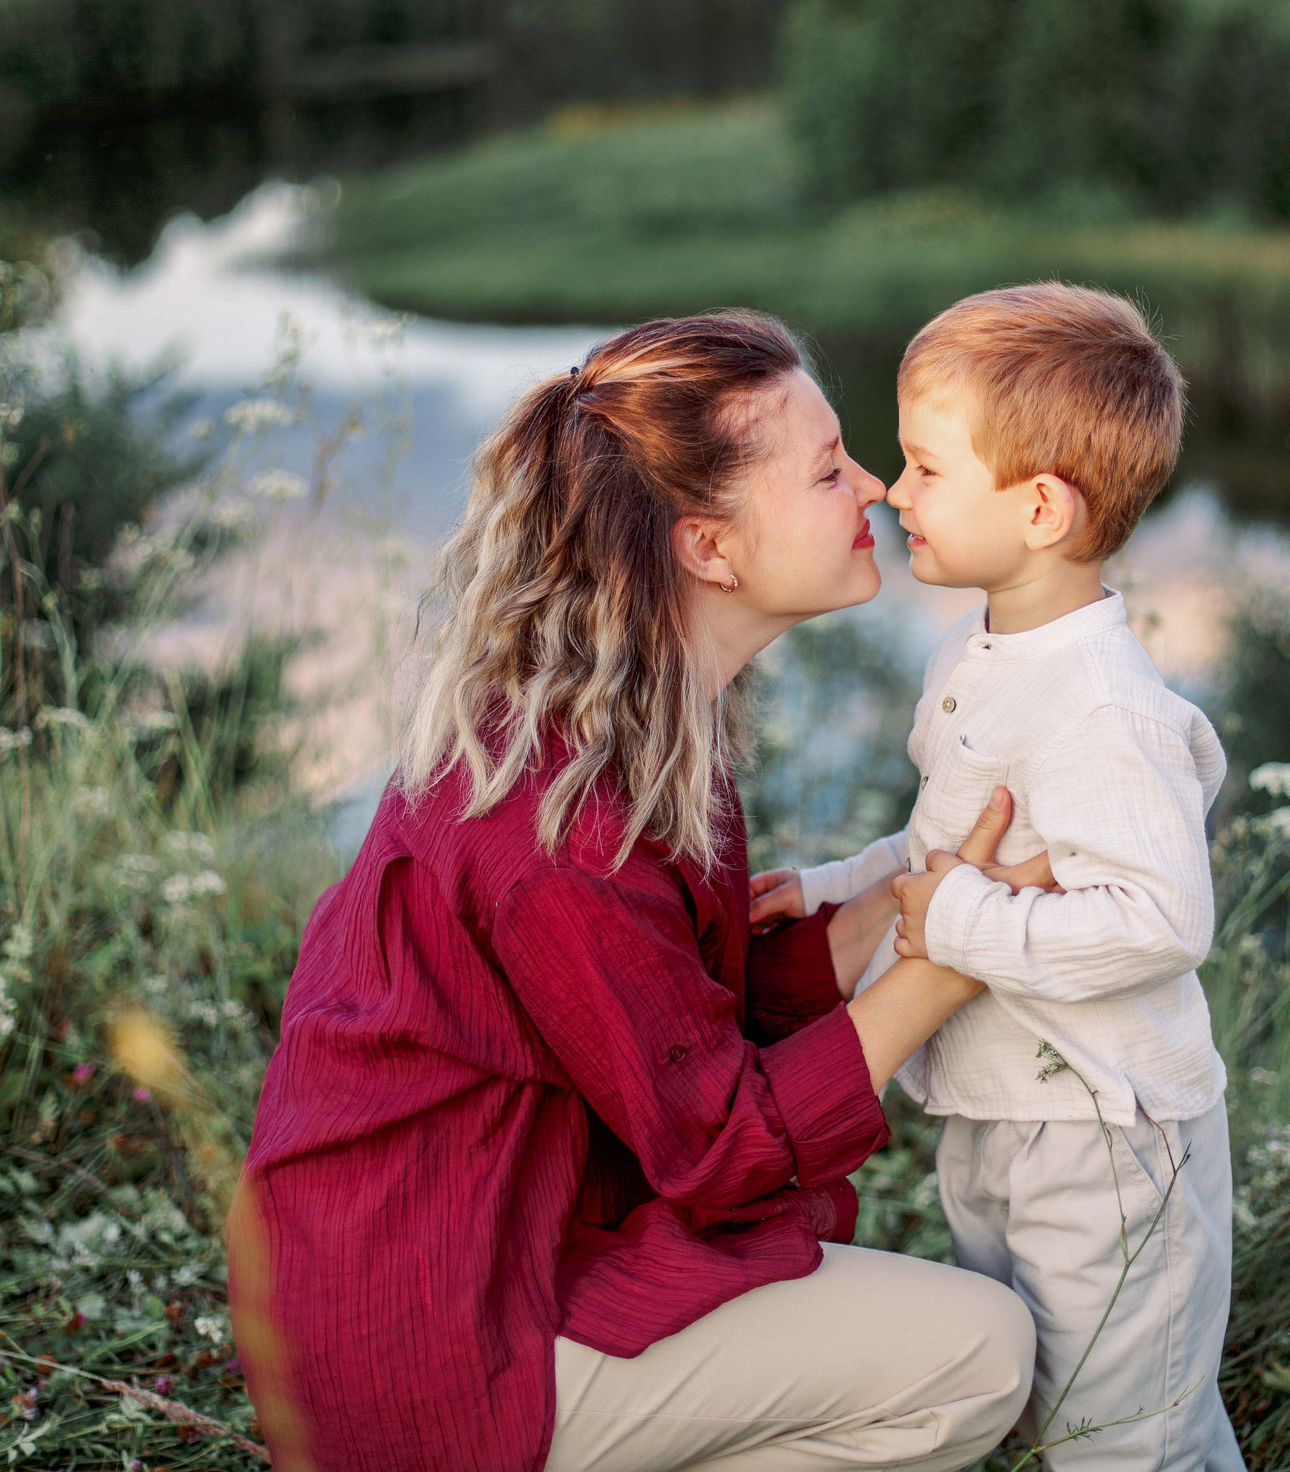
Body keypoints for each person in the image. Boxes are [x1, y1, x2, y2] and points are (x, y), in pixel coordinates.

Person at [232, 310, 1044, 1472]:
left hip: (482, 1248)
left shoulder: (621, 722)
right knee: (978, 1356)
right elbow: (720, 1145)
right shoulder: (564, 823)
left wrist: (894, 901)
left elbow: (659, 1013)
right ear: (708, 548)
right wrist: (952, 957)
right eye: (828, 471)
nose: (873, 486)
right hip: (442, 1337)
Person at [754, 284, 1244, 1471]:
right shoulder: (978, 654)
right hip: (1000, 1113)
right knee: (1051, 1406)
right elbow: (948, 842)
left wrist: (961, 923)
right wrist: (836, 885)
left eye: (927, 469)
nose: (892, 490)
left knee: (1128, 1437)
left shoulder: (1105, 708)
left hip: (1106, 1136)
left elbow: (1162, 920)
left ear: (1038, 507)